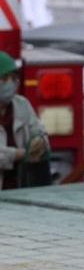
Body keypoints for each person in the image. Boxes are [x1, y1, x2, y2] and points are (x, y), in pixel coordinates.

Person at [0, 51, 51, 190]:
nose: (10, 84)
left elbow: (40, 132)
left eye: (13, 78)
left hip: (21, 189)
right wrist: (20, 154)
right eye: (3, 79)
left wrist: (39, 141)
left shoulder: (22, 104)